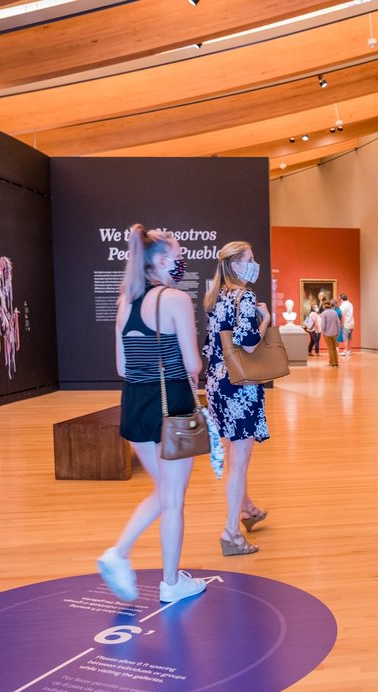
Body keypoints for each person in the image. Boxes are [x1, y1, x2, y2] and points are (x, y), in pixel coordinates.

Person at [96, 225, 206, 604]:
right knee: (174, 499)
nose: (180, 262)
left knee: (163, 493)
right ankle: (171, 583)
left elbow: (123, 366)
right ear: (160, 260)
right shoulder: (175, 299)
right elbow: (192, 362)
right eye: (177, 256)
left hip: (136, 403)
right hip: (171, 403)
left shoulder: (125, 301)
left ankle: (118, 553)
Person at [203, 241, 270, 556]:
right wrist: (265, 319)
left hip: (217, 385)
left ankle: (247, 509)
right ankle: (231, 532)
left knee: (232, 455)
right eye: (251, 259)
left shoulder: (215, 298)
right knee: (239, 462)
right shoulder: (245, 297)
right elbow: (250, 344)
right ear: (237, 264)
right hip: (240, 387)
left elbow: (211, 345)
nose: (254, 264)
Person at [320, 298, 341, 368]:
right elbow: (338, 323)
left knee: (330, 349)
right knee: (334, 348)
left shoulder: (323, 313)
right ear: (330, 305)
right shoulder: (334, 312)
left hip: (327, 334)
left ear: (324, 306)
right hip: (335, 333)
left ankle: (331, 363)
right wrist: (338, 332)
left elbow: (323, 325)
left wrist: (323, 332)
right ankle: (336, 362)